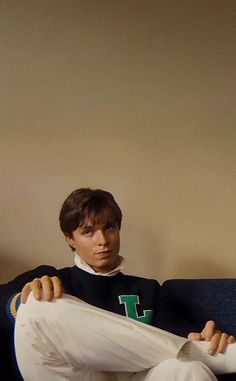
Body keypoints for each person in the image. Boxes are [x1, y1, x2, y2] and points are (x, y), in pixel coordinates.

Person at [10, 188, 236, 380]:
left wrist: (208, 339)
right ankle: (217, 356)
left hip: (140, 376)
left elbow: (179, 331)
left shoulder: (149, 289)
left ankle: (203, 354)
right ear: (70, 239)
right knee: (34, 305)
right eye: (88, 232)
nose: (103, 240)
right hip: (78, 375)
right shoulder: (52, 278)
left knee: (188, 369)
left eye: (109, 227)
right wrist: (18, 301)